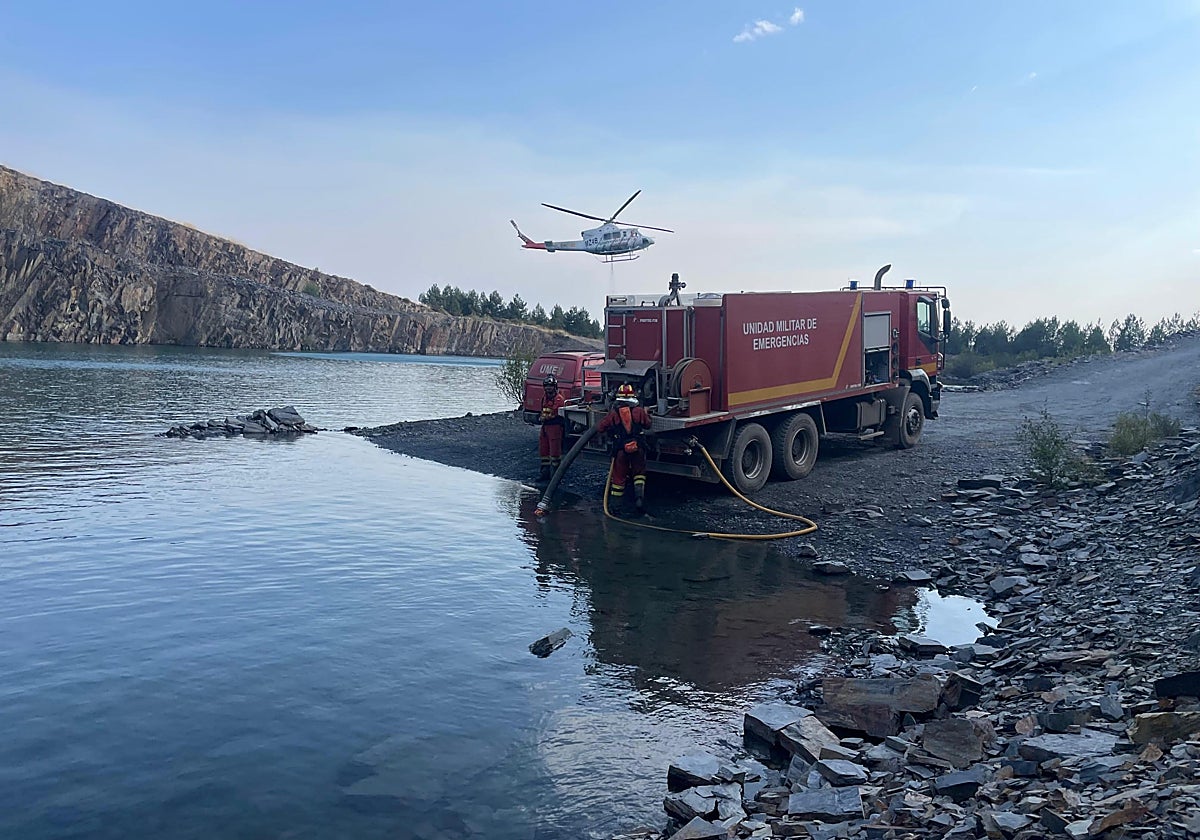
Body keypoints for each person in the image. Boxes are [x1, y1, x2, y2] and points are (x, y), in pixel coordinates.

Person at [597, 383, 653, 513]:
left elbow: (600, 428)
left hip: (621, 450)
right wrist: (646, 414)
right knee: (639, 474)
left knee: (618, 478)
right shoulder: (639, 411)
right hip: (638, 448)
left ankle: (616, 506)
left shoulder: (614, 413)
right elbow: (648, 425)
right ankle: (639, 500)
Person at [537, 375, 566, 481]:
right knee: (544, 451)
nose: (548, 388)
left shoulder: (559, 399)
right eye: (546, 386)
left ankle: (555, 477)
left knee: (555, 453)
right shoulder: (544, 398)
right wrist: (540, 417)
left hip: (555, 428)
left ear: (555, 387)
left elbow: (554, 412)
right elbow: (543, 411)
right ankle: (545, 474)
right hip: (545, 428)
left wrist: (545, 417)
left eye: (550, 386)